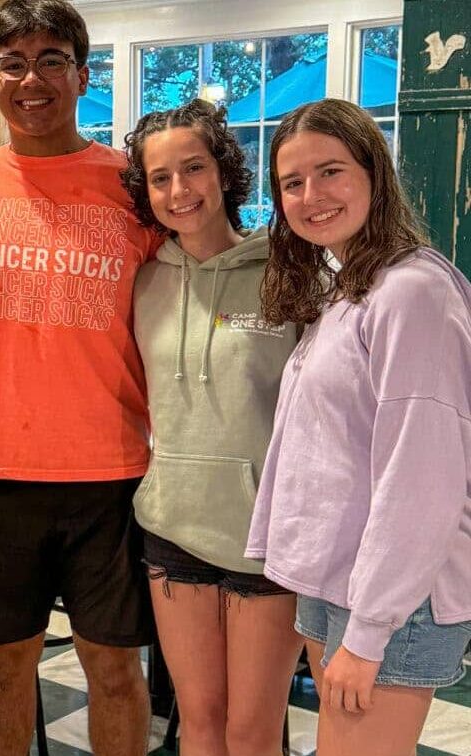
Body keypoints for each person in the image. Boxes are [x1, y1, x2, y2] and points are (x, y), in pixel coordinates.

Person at [0, 1, 161, 753]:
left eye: (52, 60)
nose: (31, 78)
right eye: (13, 63)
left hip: (112, 468)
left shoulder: (131, 184)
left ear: (82, 74)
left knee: (115, 667)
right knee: (7, 663)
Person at [247, 98, 471, 756]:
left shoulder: (412, 293)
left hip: (392, 599)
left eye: (331, 171)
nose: (312, 195)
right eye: (292, 182)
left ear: (374, 173)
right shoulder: (350, 287)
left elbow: (421, 479)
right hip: (340, 577)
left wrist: (370, 632)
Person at [120, 98, 303, 756]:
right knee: (198, 721)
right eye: (161, 177)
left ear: (224, 172)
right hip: (173, 529)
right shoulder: (142, 283)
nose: (179, 190)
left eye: (193, 168)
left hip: (268, 537)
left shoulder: (291, 273)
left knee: (252, 733)